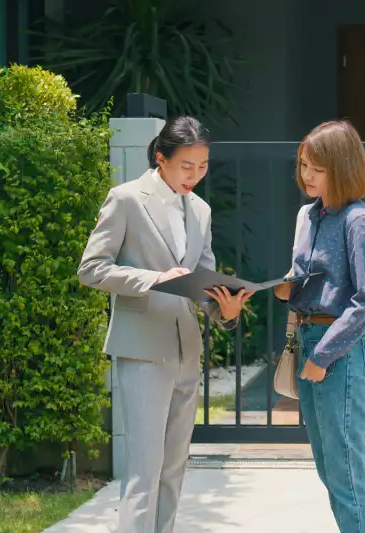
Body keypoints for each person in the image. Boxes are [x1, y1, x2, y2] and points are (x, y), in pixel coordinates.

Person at [77, 116, 251, 533]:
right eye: (186, 166)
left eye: (204, 166)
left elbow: (203, 282)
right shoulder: (126, 199)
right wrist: (152, 279)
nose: (196, 176)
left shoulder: (202, 211)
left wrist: (225, 312)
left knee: (173, 471)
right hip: (141, 350)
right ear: (161, 158)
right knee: (144, 473)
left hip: (186, 351)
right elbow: (91, 269)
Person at [275, 120, 365, 533]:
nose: (306, 176)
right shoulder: (308, 215)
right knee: (327, 464)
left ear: (340, 168)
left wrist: (323, 355)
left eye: (316, 169)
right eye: (303, 165)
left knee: (345, 471)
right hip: (307, 338)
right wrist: (287, 287)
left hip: (339, 350)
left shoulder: (358, 221)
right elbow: (306, 272)